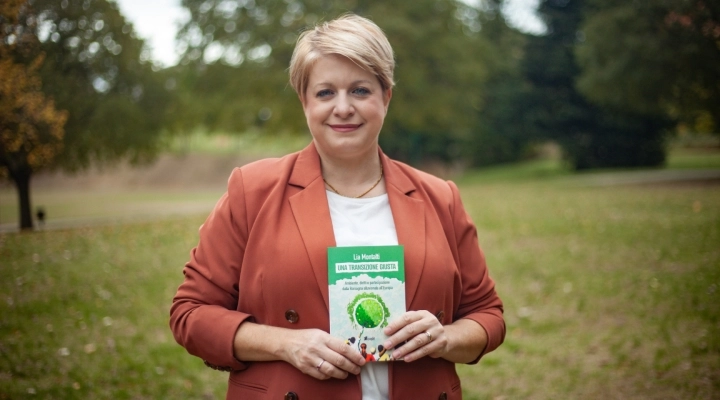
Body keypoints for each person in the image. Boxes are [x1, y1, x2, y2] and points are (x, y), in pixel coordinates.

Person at [170, 13, 505, 400]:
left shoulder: (440, 196)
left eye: (360, 90)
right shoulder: (252, 191)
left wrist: (443, 338)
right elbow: (190, 314)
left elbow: (488, 316)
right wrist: (286, 344)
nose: (343, 108)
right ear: (305, 102)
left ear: (386, 96)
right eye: (326, 92)